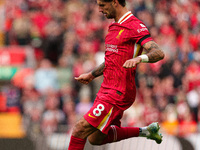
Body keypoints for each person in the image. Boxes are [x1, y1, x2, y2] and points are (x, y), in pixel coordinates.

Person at [68, 0, 165, 149]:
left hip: (119, 91)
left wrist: (139, 58)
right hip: (106, 88)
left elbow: (158, 52)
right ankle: (146, 131)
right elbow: (112, 59)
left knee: (79, 130)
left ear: (114, 2)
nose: (99, 9)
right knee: (95, 138)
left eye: (102, 5)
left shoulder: (134, 26)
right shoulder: (114, 26)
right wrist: (92, 75)